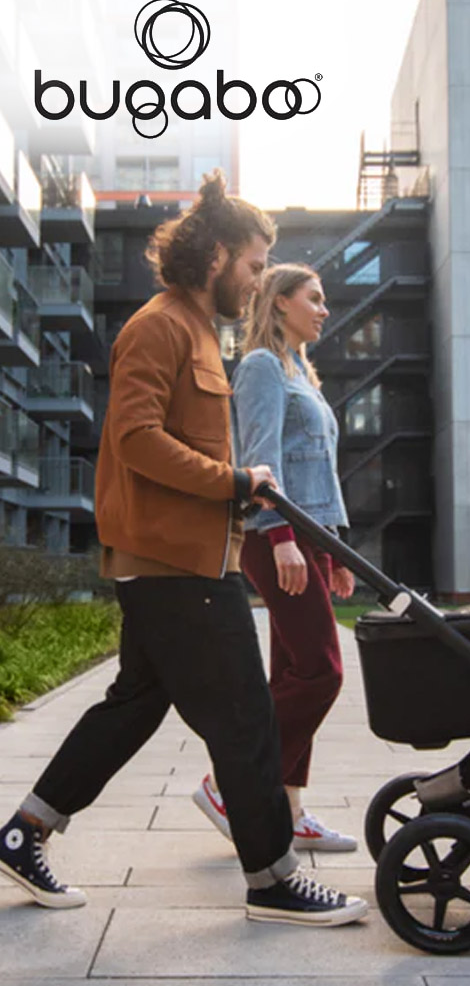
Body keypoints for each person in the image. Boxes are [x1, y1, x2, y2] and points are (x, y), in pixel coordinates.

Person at [0, 174, 367, 928]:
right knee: (246, 716)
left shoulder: (202, 333)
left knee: (135, 705)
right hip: (173, 563)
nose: (259, 279)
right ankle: (272, 879)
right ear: (219, 256)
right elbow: (133, 440)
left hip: (189, 559)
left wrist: (243, 493)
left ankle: (23, 830)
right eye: (257, 264)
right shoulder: (159, 326)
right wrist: (236, 481)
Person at [192, 263, 357, 853]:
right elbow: (262, 456)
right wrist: (283, 534)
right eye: (314, 298)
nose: (324, 309)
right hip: (275, 533)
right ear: (280, 303)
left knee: (291, 673)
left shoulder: (301, 374)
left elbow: (321, 472)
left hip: (309, 533)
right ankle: (227, 785)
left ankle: (287, 810)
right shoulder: (262, 367)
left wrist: (335, 548)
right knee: (321, 670)